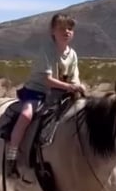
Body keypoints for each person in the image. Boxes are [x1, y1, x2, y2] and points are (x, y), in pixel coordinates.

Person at [6, 12, 86, 175]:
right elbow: (47, 79)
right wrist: (69, 87)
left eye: (70, 28)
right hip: (37, 91)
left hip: (59, 94)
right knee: (27, 115)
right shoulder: (47, 50)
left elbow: (74, 78)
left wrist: (78, 86)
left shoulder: (73, 54)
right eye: (62, 28)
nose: (66, 32)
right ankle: (11, 156)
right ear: (52, 31)